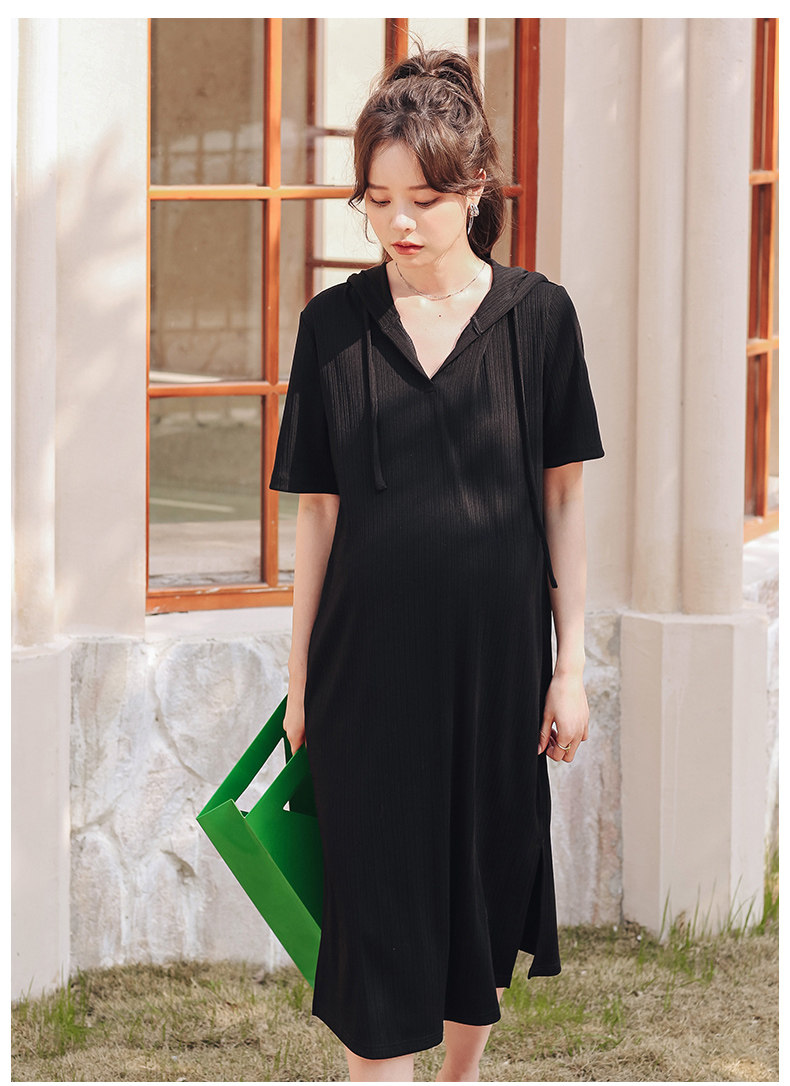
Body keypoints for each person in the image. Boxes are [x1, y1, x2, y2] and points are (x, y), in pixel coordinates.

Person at [269, 47, 604, 1083]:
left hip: (497, 670)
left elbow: (561, 498)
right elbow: (318, 514)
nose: (397, 224)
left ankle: (459, 1076)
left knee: (479, 895)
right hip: (366, 673)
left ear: (474, 190)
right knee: (374, 915)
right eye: (377, 201)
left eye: (421, 200)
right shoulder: (331, 327)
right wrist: (300, 680)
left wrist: (572, 665)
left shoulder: (539, 318)